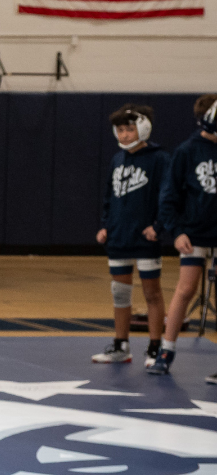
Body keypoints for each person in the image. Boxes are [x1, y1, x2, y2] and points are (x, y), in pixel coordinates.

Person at [94, 105, 170, 367]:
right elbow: (109, 195)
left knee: (152, 294)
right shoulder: (118, 159)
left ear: (144, 128)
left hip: (145, 238)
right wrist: (105, 225)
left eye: (130, 129)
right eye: (121, 130)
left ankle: (155, 347)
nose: (125, 135)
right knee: (120, 293)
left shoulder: (159, 159)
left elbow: (167, 196)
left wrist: (158, 227)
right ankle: (120, 345)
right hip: (118, 236)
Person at [149, 95, 217, 381]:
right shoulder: (188, 151)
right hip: (194, 232)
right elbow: (169, 195)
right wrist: (176, 231)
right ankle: (166, 350)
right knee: (185, 289)